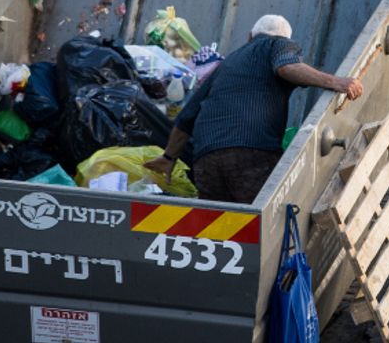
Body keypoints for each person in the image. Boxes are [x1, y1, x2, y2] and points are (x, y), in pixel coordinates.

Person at [144, 14, 363, 203]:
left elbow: (186, 118)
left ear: (250, 36)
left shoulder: (226, 64)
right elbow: (287, 66)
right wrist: (336, 82)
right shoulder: (279, 44)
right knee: (263, 228)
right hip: (251, 154)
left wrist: (169, 158)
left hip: (206, 161)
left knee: (222, 232)